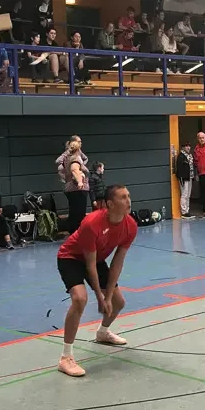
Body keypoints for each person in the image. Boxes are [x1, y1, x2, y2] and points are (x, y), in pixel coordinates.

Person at [55, 185, 137, 377]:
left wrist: (108, 297)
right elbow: (89, 264)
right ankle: (66, 357)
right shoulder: (91, 223)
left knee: (118, 302)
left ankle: (103, 332)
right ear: (110, 204)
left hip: (97, 259)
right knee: (80, 299)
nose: (128, 201)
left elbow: (117, 262)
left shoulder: (130, 226)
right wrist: (100, 298)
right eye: (123, 197)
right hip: (71, 258)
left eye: (128, 196)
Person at [58, 139, 90, 234]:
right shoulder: (75, 158)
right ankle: (78, 233)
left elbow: (61, 170)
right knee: (79, 213)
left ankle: (74, 232)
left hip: (71, 188)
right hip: (77, 189)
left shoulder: (67, 158)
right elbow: (74, 169)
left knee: (74, 212)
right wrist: (80, 182)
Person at [175, 142, 194, 219]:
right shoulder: (181, 156)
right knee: (184, 194)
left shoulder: (190, 155)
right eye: (186, 146)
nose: (188, 147)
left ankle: (187, 211)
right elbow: (179, 168)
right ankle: (183, 212)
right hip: (184, 178)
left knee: (188, 195)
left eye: (189, 146)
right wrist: (181, 178)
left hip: (190, 177)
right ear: (183, 147)